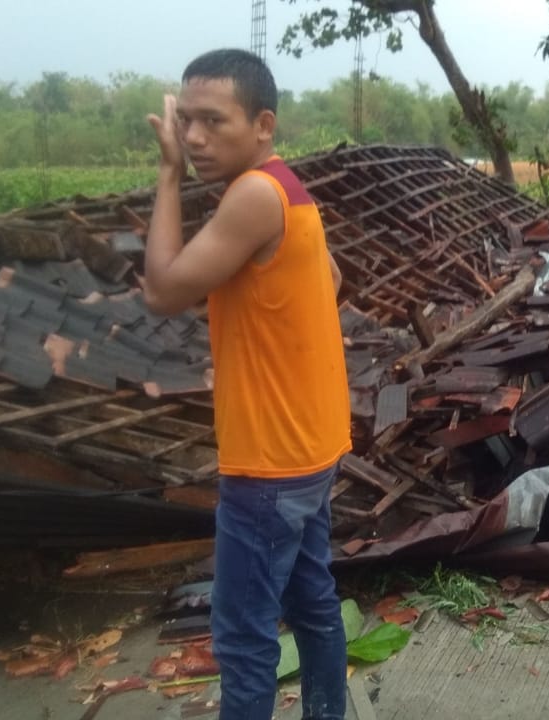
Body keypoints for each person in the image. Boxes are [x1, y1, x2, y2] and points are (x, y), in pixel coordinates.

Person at [142, 48, 351, 720]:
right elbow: (333, 280)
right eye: (186, 122)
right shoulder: (288, 189)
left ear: (263, 124)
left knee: (243, 635)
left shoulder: (254, 195)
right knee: (311, 599)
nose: (195, 138)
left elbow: (164, 290)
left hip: (267, 464)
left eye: (213, 121)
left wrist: (169, 178)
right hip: (310, 445)